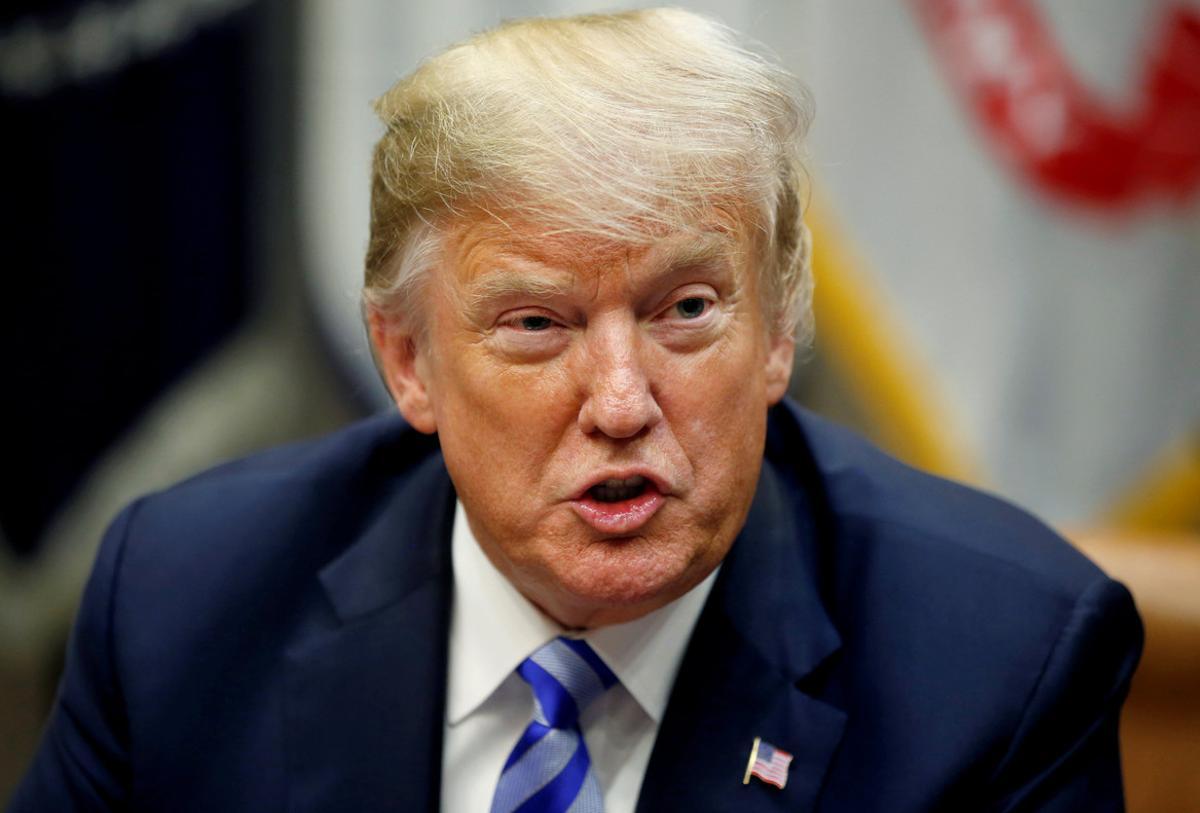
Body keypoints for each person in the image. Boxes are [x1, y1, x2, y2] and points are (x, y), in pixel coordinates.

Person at [10, 8, 1142, 812]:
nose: (618, 401)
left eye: (686, 310)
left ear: (779, 334)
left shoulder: (1001, 662)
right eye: (537, 325)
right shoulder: (185, 600)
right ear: (407, 363)